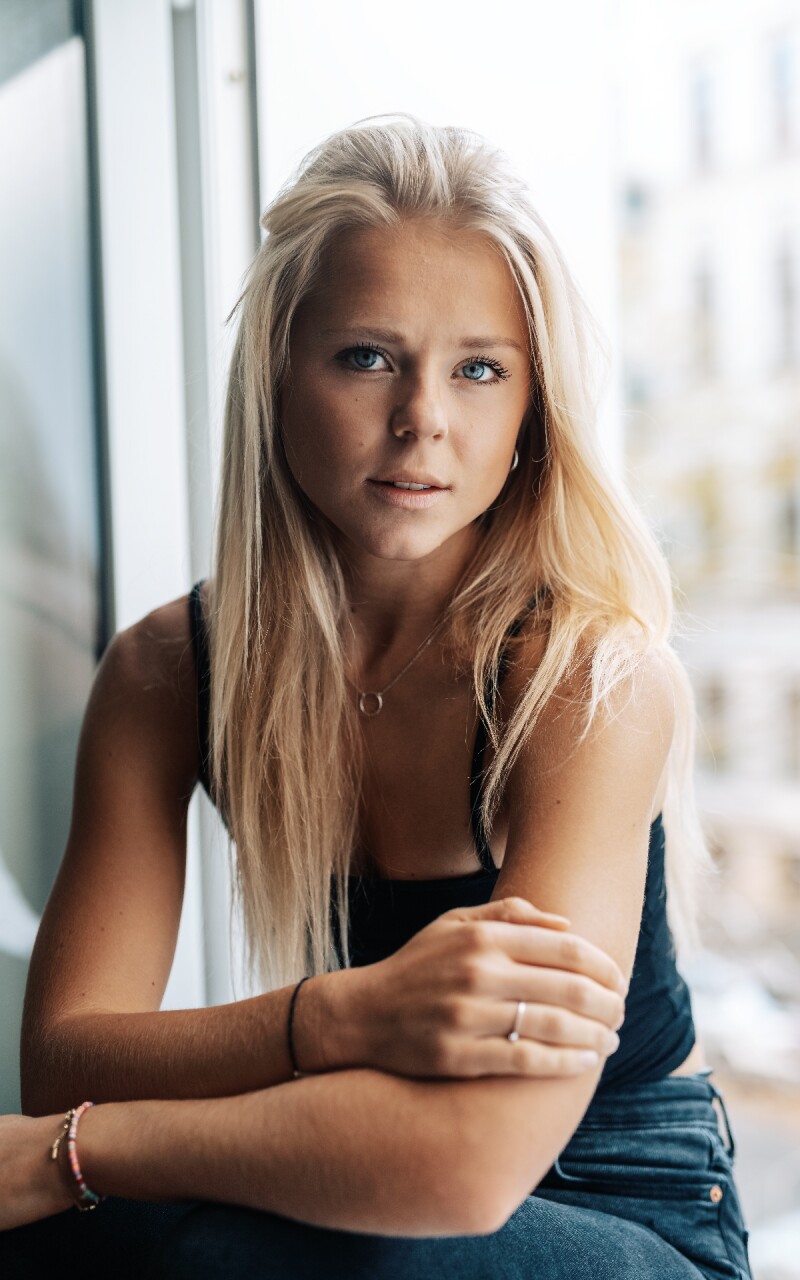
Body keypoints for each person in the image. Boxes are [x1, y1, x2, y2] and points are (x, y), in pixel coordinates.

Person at [0, 115, 752, 1279]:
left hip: (615, 1205)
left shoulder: (585, 679)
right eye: (366, 356)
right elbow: (63, 1060)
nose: (422, 419)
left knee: (183, 1236)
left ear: (529, 417)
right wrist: (340, 1017)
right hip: (336, 1152)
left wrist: (74, 1155)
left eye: (479, 369)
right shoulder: (170, 673)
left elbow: (465, 1166)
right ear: (277, 375)